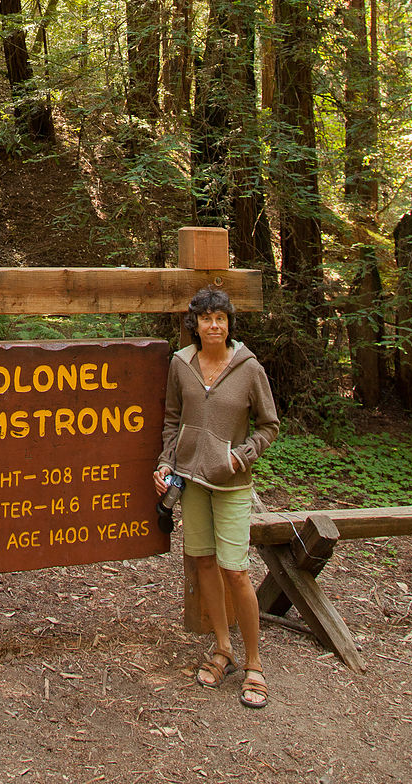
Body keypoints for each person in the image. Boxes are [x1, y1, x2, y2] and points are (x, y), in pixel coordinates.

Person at [153, 287, 279, 709]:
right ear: (195, 324)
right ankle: (223, 648)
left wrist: (242, 457)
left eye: (220, 318)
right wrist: (165, 464)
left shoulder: (248, 368)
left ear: (229, 324)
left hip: (230, 484)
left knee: (236, 571)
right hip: (189, 481)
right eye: (206, 318)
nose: (214, 325)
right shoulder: (181, 364)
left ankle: (254, 664)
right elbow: (173, 420)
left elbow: (268, 425)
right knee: (203, 561)